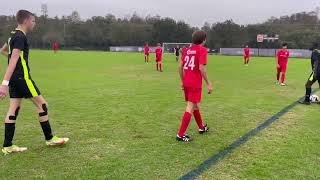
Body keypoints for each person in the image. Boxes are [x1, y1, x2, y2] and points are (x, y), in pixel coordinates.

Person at [0, 10, 69, 155]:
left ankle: (7, 146)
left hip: (14, 79)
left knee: (14, 109)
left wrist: (18, 60)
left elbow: (3, 51)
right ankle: (49, 138)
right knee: (42, 105)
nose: (34, 23)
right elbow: (13, 59)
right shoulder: (20, 37)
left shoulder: (12, 35)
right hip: (22, 78)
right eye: (33, 20)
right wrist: (3, 84)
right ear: (26, 21)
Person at [176, 30, 212, 142]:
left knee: (195, 105)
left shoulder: (187, 50)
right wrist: (208, 83)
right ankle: (180, 134)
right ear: (204, 40)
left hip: (187, 82)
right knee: (190, 106)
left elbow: (179, 67)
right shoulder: (202, 50)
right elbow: (201, 68)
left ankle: (201, 127)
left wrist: (183, 81)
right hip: (195, 84)